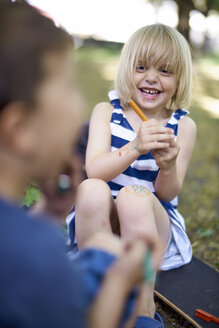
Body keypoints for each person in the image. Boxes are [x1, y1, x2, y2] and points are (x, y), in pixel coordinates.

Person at [0, 2, 163, 328]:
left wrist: (48, 215)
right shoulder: (39, 257)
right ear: (20, 129)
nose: (80, 103)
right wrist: (119, 282)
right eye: (69, 88)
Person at [68, 24, 197, 324]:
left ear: (180, 80)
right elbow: (95, 170)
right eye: (141, 67)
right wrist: (136, 146)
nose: (151, 77)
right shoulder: (106, 111)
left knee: (134, 197)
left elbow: (168, 194)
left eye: (165, 71)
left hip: (150, 225)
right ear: (128, 69)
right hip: (102, 223)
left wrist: (167, 166)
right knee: (90, 189)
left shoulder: (183, 127)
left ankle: (142, 304)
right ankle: (92, 283)